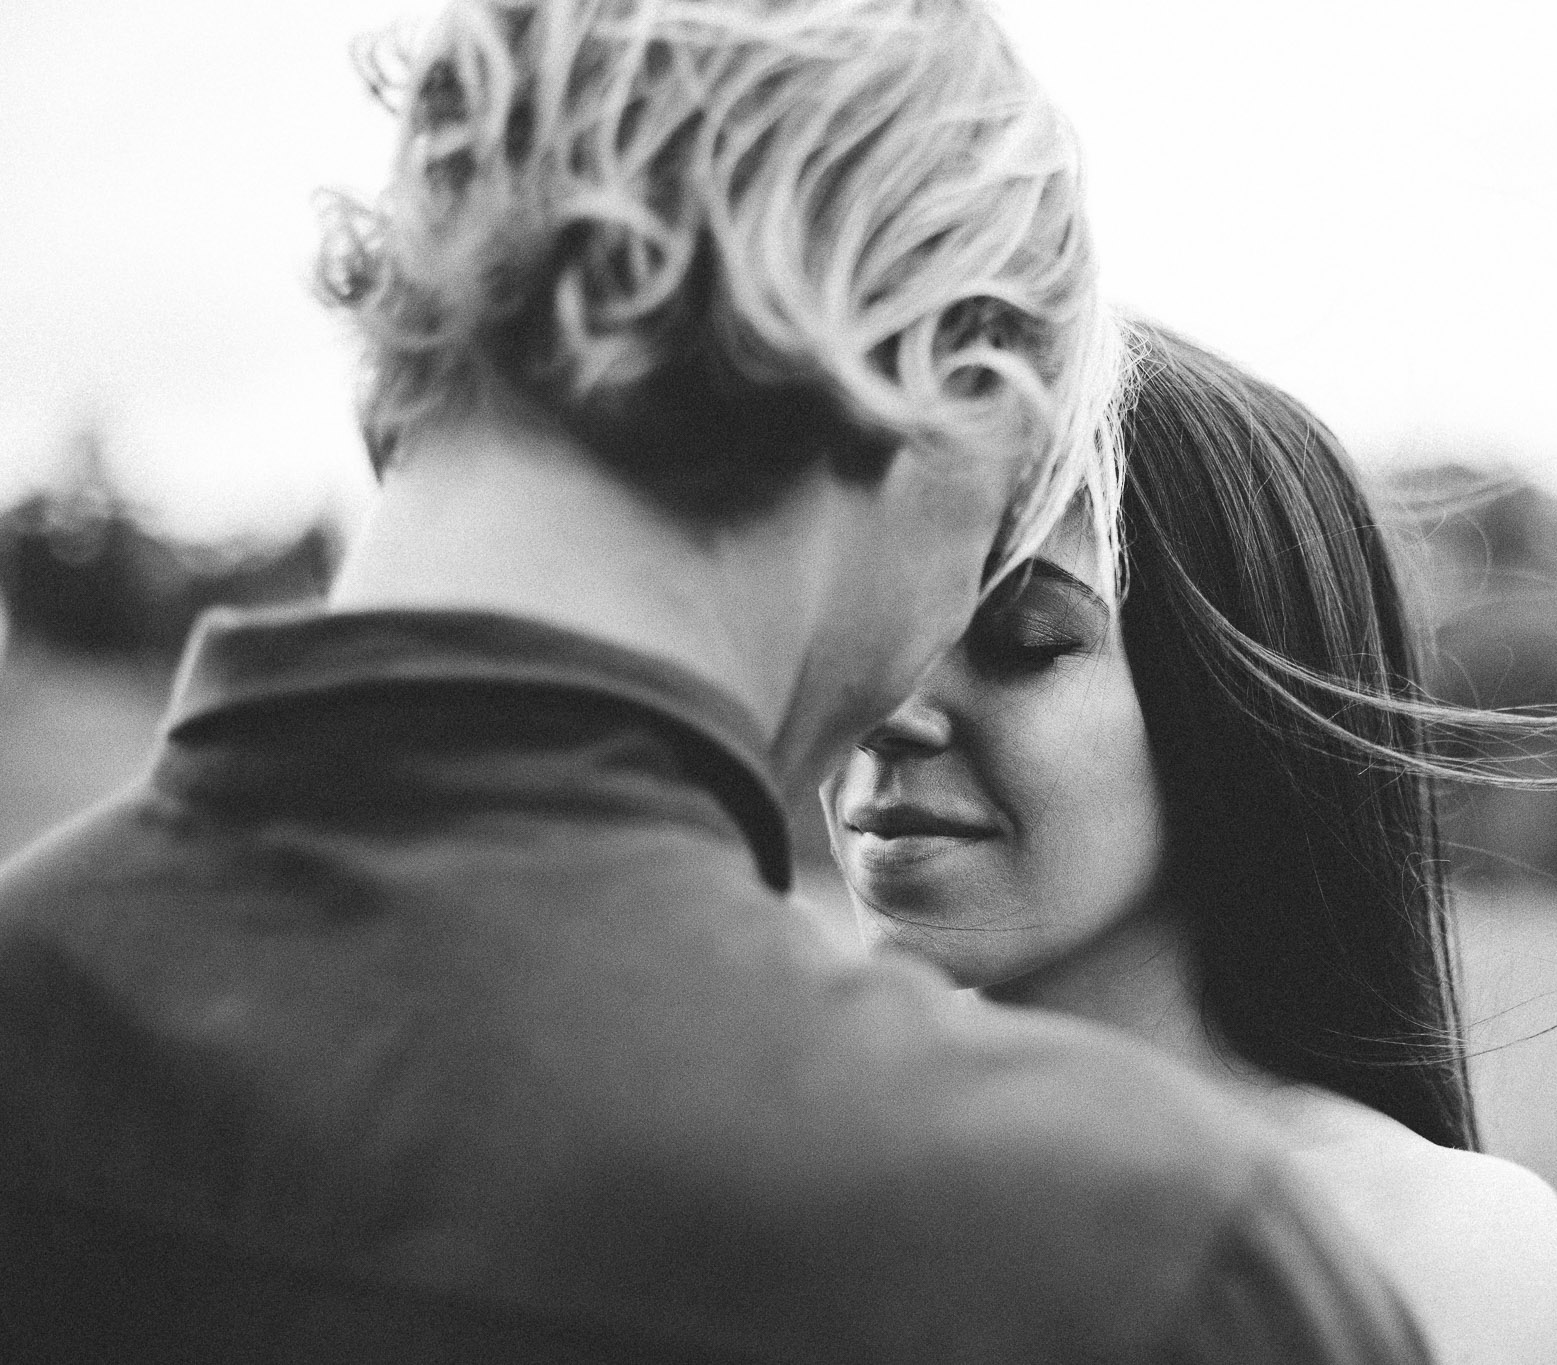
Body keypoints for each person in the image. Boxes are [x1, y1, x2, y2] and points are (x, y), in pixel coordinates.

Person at [0, 6, 1433, 1363]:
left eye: (1029, 626)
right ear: (957, 380)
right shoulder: (1141, 1270)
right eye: (999, 531)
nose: (906, 705)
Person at [828, 321, 1557, 1365]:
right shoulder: (751, 1186)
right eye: (865, 628)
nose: (895, 707)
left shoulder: (1430, 1249)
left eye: (1026, 643)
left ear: (1229, 712)